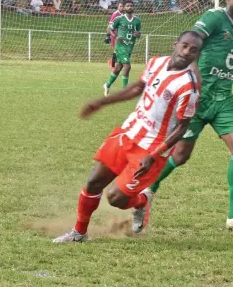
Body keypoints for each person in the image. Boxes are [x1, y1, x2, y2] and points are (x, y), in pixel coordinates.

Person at [146, 0, 233, 231]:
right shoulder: (214, 18)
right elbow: (191, 44)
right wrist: (189, 80)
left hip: (223, 99)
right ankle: (149, 188)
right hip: (196, 98)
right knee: (181, 155)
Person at [53, 31, 202, 243]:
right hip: (128, 132)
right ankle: (79, 233)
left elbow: (182, 127)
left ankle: (141, 202)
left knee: (116, 198)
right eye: (184, 46)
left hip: (151, 149)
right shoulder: (156, 63)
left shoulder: (189, 87)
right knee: (94, 182)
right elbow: (136, 89)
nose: (187, 52)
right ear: (175, 44)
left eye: (193, 50)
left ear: (197, 55)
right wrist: (102, 102)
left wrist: (155, 154)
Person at [103, 0, 141, 95]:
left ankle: (107, 85)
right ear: (124, 8)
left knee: (118, 67)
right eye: (128, 5)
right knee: (127, 66)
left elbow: (139, 33)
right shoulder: (119, 19)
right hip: (120, 46)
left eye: (131, 5)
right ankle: (125, 90)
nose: (130, 7)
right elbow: (109, 29)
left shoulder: (137, 20)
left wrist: (138, 34)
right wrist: (115, 36)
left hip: (130, 46)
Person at [104, 2, 124, 70]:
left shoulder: (123, 14)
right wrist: (107, 35)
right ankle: (112, 65)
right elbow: (110, 25)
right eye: (120, 6)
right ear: (117, 7)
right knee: (117, 49)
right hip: (115, 34)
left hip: (121, 35)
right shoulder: (115, 14)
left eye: (122, 6)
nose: (122, 7)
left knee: (120, 50)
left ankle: (111, 61)